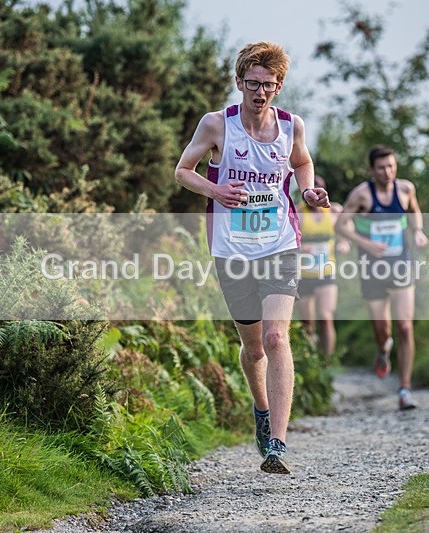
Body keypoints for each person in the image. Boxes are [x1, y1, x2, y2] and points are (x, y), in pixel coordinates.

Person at [174, 41, 330, 474]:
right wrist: (216, 189)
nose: (260, 92)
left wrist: (310, 190)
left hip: (280, 242)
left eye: (269, 84)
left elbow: (301, 163)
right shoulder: (216, 125)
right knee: (254, 346)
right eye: (253, 83)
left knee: (278, 338)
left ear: (279, 87)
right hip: (232, 249)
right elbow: (182, 171)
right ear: (239, 82)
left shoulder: (291, 126)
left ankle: (278, 443)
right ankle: (261, 411)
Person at [334, 145, 429, 410]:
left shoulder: (406, 189)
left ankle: (405, 389)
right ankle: (383, 349)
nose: (387, 172)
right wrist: (364, 243)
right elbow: (340, 224)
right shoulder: (362, 194)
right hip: (372, 268)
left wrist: (418, 231)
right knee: (382, 329)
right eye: (381, 167)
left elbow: (415, 211)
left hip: (400, 264)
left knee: (405, 326)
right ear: (371, 170)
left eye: (391, 166)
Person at [295, 175, 350, 355]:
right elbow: (287, 241)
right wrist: (302, 248)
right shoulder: (298, 212)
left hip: (327, 272)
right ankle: (312, 362)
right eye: (312, 187)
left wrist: (344, 242)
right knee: (307, 325)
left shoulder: (334, 210)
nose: (316, 191)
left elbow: (348, 228)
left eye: (320, 187)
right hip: (304, 274)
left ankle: (328, 361)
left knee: (326, 318)